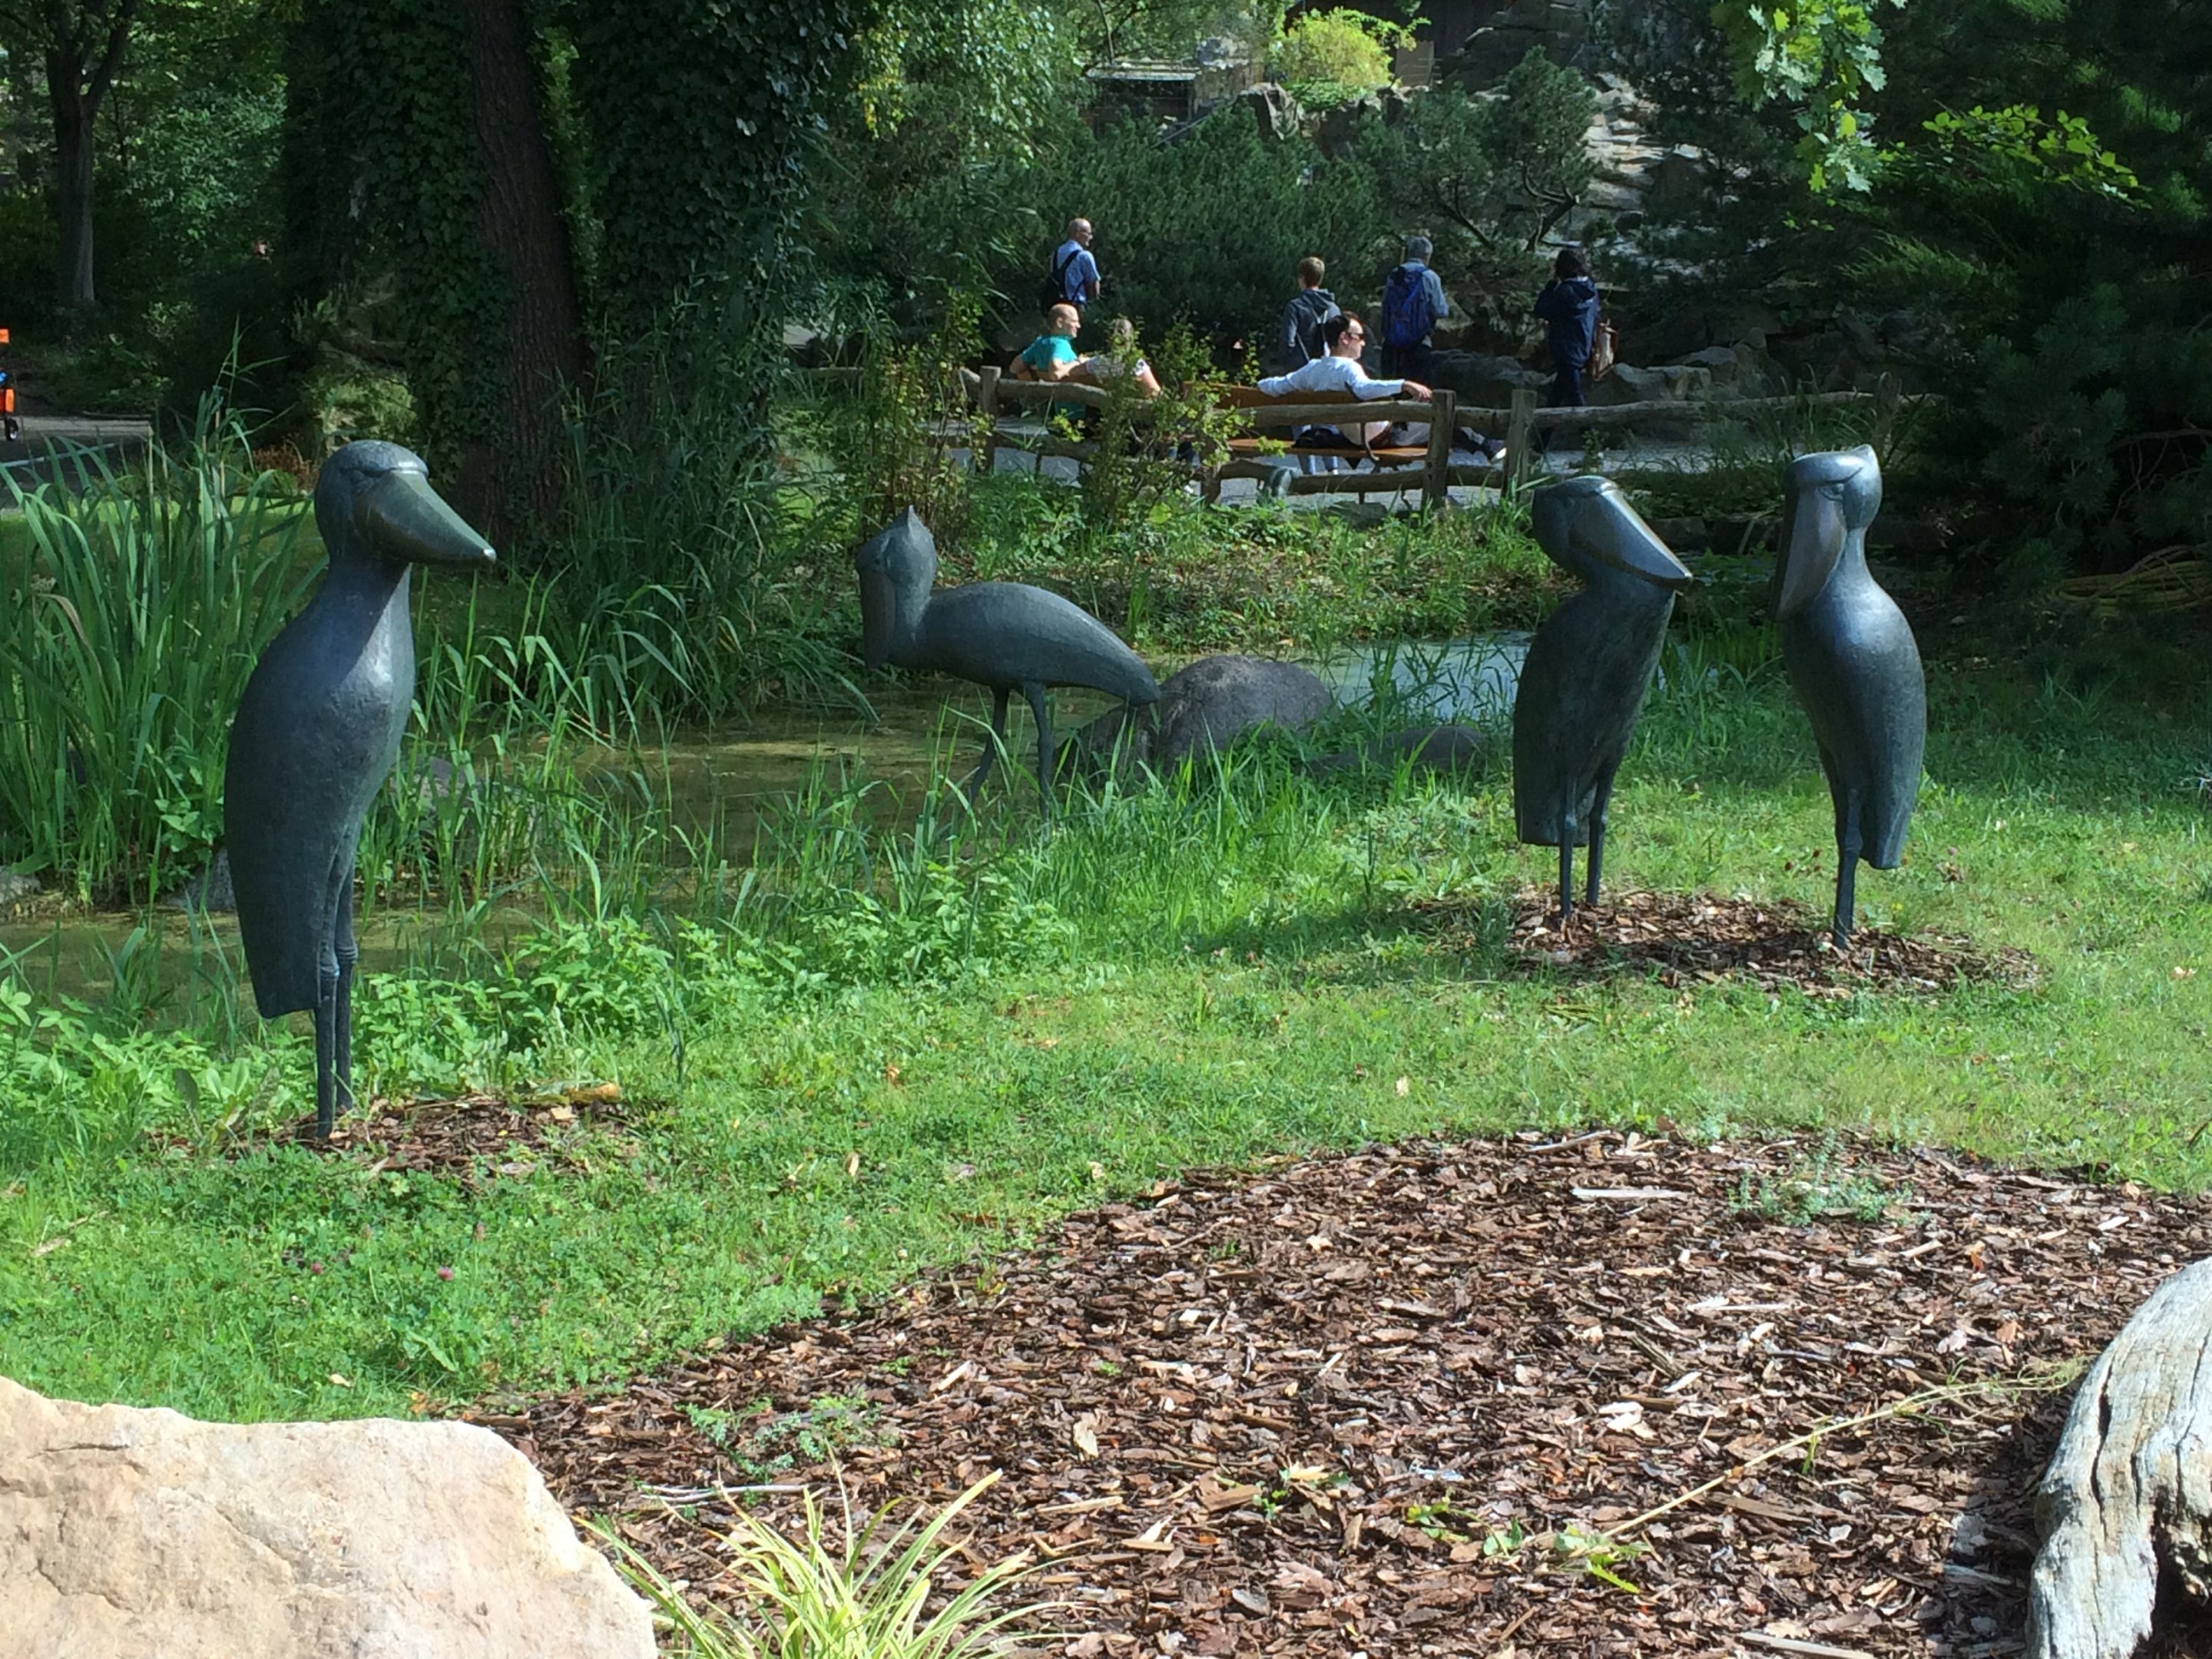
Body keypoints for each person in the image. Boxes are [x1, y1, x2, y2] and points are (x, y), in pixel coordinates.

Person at [1257, 312, 1430, 448]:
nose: (1363, 343)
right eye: (1360, 337)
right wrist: (1404, 384)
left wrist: (1258, 385)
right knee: (1442, 419)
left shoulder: (1312, 369)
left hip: (1353, 437)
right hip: (1383, 435)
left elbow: (1275, 386)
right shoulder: (1348, 367)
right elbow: (1363, 389)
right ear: (1344, 338)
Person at [1533, 246, 1601, 409]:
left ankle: (1590, 434)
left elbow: (1541, 310)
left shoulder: (1564, 292)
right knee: (1557, 395)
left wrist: (1550, 285)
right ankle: (1543, 434)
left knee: (1576, 399)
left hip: (1565, 351)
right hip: (1584, 347)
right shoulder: (1591, 290)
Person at [1379, 235, 1450, 379]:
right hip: (1419, 343)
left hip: (1392, 343)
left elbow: (1385, 303)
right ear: (1427, 255)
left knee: (1393, 391)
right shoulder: (1430, 277)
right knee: (1419, 392)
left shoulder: (1394, 274)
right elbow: (1441, 310)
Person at [1270, 256, 1339, 374]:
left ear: (1302, 278)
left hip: (1300, 370)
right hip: (1327, 370)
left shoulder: (1295, 307)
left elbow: (1287, 342)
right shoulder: (1334, 308)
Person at [1072, 317, 1163, 398]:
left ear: (1109, 339)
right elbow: (1154, 392)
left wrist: (1078, 361)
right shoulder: (1136, 364)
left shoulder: (1097, 362)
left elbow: (1072, 374)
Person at [1012, 303, 1081, 383]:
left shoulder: (1040, 343)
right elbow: (1056, 373)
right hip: (1064, 393)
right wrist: (1077, 362)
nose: (1078, 326)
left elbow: (1014, 368)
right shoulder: (1060, 344)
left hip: (1043, 391)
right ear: (1059, 322)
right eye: (1074, 321)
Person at [1050, 217, 1102, 312]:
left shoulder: (1056, 254)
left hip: (1057, 307)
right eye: (1088, 234)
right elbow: (1094, 285)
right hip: (1076, 307)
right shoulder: (1085, 256)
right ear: (1078, 233)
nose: (1091, 238)